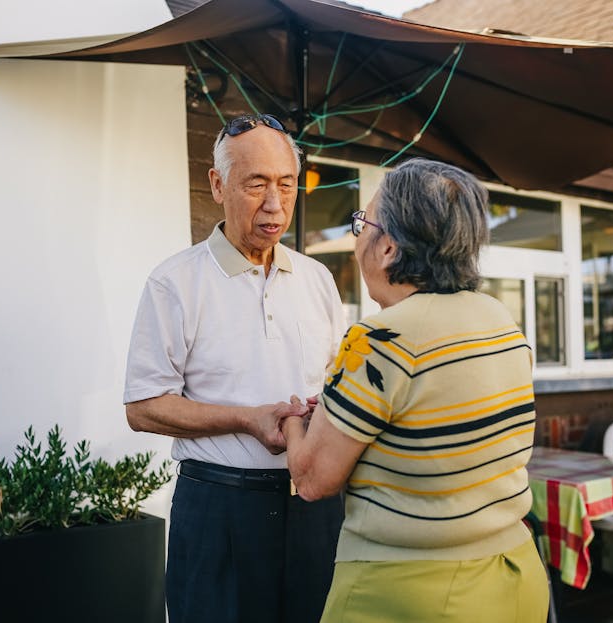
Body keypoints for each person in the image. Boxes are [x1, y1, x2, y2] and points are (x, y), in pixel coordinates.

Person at [281, 158, 549, 622]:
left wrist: (293, 420)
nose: (357, 237)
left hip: (412, 592)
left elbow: (312, 479)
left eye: (362, 223)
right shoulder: (500, 320)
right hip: (515, 576)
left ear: (388, 248)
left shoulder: (380, 340)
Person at [123, 114, 346, 623]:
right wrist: (248, 418)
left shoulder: (317, 279)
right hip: (218, 510)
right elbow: (143, 408)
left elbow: (336, 383)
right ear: (217, 184)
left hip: (315, 508)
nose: (275, 203)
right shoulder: (175, 282)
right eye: (257, 184)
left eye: (286, 185)